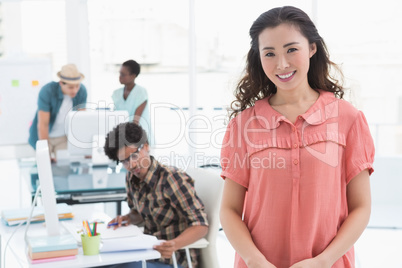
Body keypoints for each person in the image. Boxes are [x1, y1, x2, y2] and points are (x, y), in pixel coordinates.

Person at [219, 6, 375, 268]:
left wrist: (323, 261)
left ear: (312, 48)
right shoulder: (243, 125)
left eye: (291, 49)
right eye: (270, 53)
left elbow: (361, 207)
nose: (281, 64)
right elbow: (229, 210)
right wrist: (253, 259)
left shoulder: (348, 118)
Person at [103, 122, 208, 268]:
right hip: (148, 254)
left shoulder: (172, 178)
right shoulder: (131, 178)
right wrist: (127, 218)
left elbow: (201, 225)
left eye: (134, 156)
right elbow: (140, 214)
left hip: (174, 259)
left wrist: (174, 244)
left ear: (146, 146)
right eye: (124, 161)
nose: (131, 165)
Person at [28, 64, 87, 161]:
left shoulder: (82, 91)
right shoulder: (47, 91)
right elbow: (43, 124)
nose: (75, 90)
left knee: (63, 169)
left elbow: (80, 122)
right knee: (44, 165)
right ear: (61, 83)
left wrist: (84, 150)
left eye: (77, 86)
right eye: (71, 87)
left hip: (63, 138)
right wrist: (45, 153)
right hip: (43, 135)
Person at [112, 60, 152, 144]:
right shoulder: (116, 94)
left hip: (139, 136)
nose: (120, 77)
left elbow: (135, 121)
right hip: (123, 136)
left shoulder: (141, 92)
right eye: (120, 73)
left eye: (123, 74)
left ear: (133, 76)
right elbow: (115, 118)